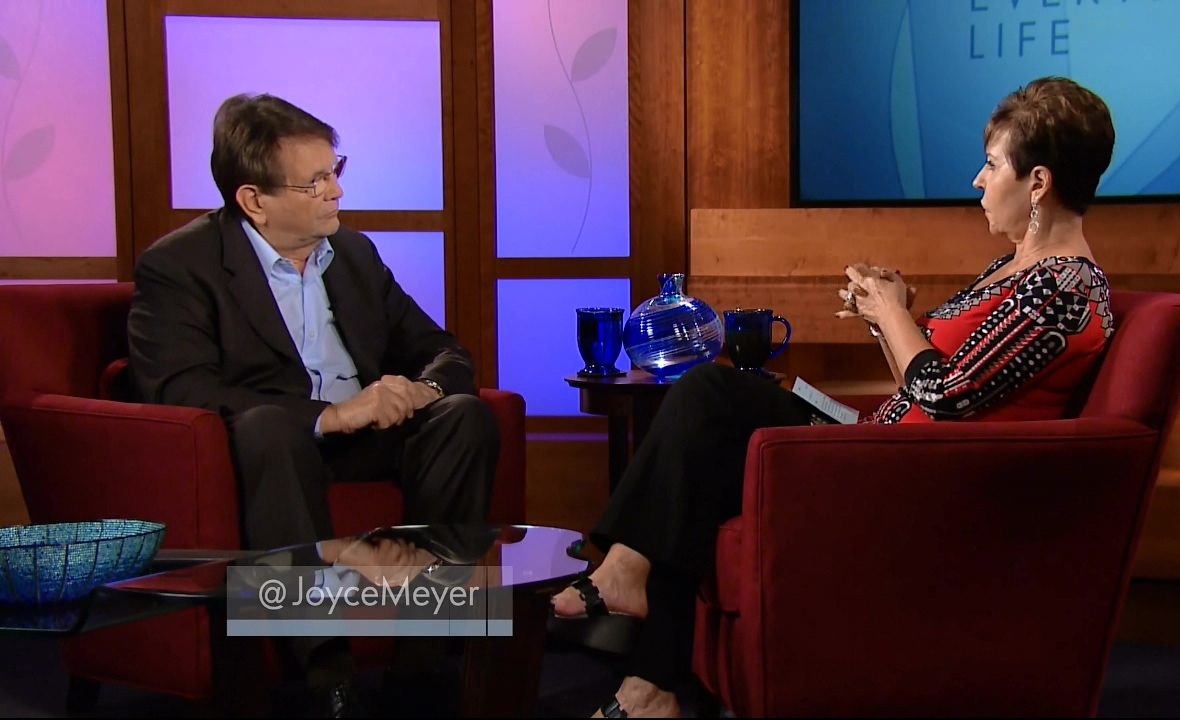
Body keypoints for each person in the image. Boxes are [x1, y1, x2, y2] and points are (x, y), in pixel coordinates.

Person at [550, 76, 1118, 718]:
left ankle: (628, 582)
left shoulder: (1062, 289)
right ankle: (648, 682)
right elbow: (926, 386)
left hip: (910, 478)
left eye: (992, 165)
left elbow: (945, 397)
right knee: (709, 434)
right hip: (884, 448)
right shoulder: (1017, 270)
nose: (978, 181)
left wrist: (893, 314)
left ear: (1038, 183)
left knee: (710, 394)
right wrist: (886, 317)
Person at [126, 93, 500, 717]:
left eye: (335, 170)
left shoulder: (352, 254)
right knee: (269, 427)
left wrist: (423, 390)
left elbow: (443, 350)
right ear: (254, 200)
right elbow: (179, 389)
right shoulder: (180, 266)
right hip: (274, 455)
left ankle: (424, 663)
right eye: (316, 181)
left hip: (369, 440)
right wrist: (328, 416)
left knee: (465, 417)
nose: (337, 192)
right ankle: (326, 676)